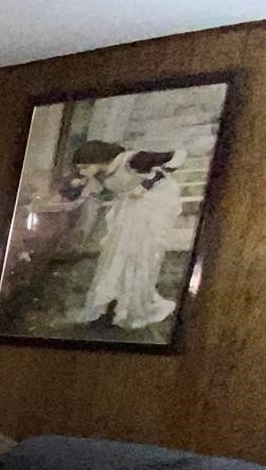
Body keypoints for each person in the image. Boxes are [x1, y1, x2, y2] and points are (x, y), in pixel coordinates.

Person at [63, 140, 184, 330]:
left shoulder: (132, 160)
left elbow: (179, 154)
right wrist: (78, 185)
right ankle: (113, 303)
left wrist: (146, 184)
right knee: (116, 255)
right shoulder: (100, 175)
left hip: (149, 207)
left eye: (85, 167)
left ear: (97, 159)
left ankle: (133, 304)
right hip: (128, 210)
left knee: (137, 255)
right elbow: (100, 195)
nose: (83, 172)